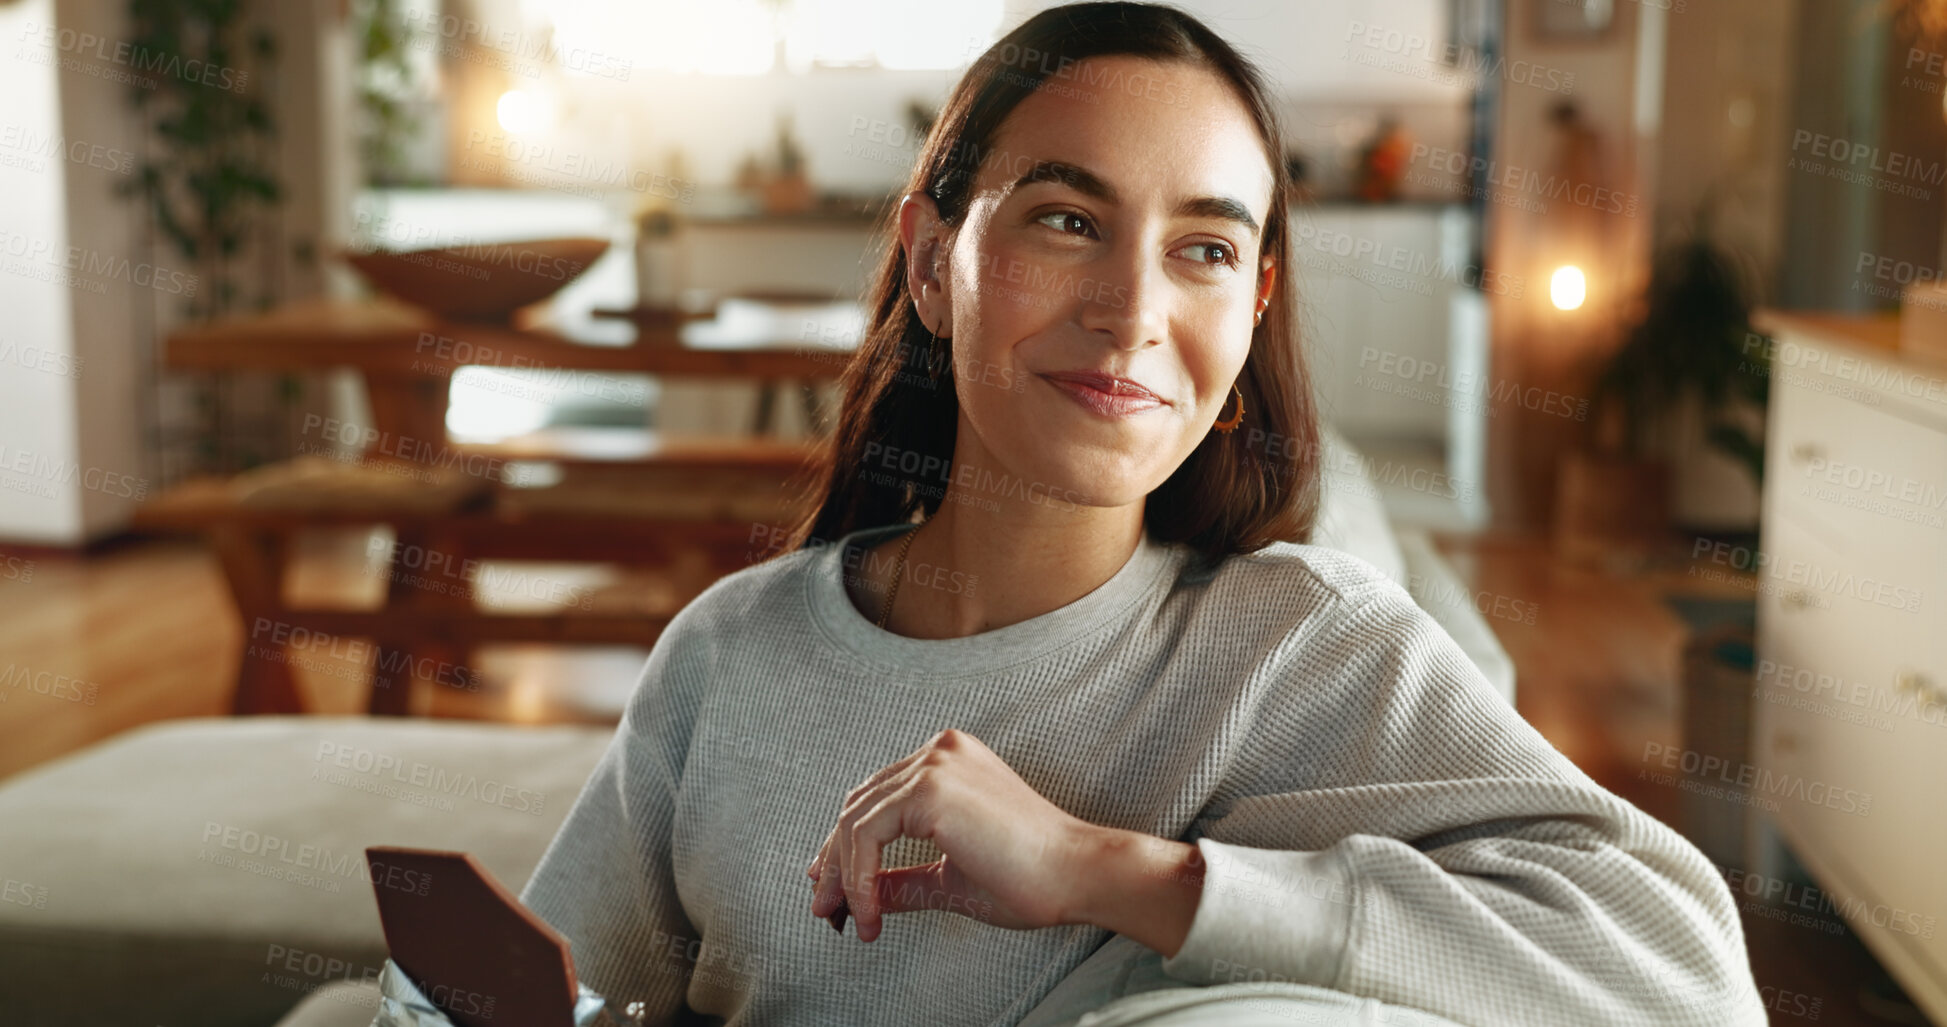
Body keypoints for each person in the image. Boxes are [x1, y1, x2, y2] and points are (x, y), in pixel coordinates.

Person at [518, 4, 1768, 1024]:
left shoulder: (1304, 650)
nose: (1131, 310)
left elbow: (1689, 980)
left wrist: (1103, 870)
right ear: (929, 265)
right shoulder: (731, 652)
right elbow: (544, 990)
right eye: (1068, 221)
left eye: (1206, 249)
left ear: (1255, 300)